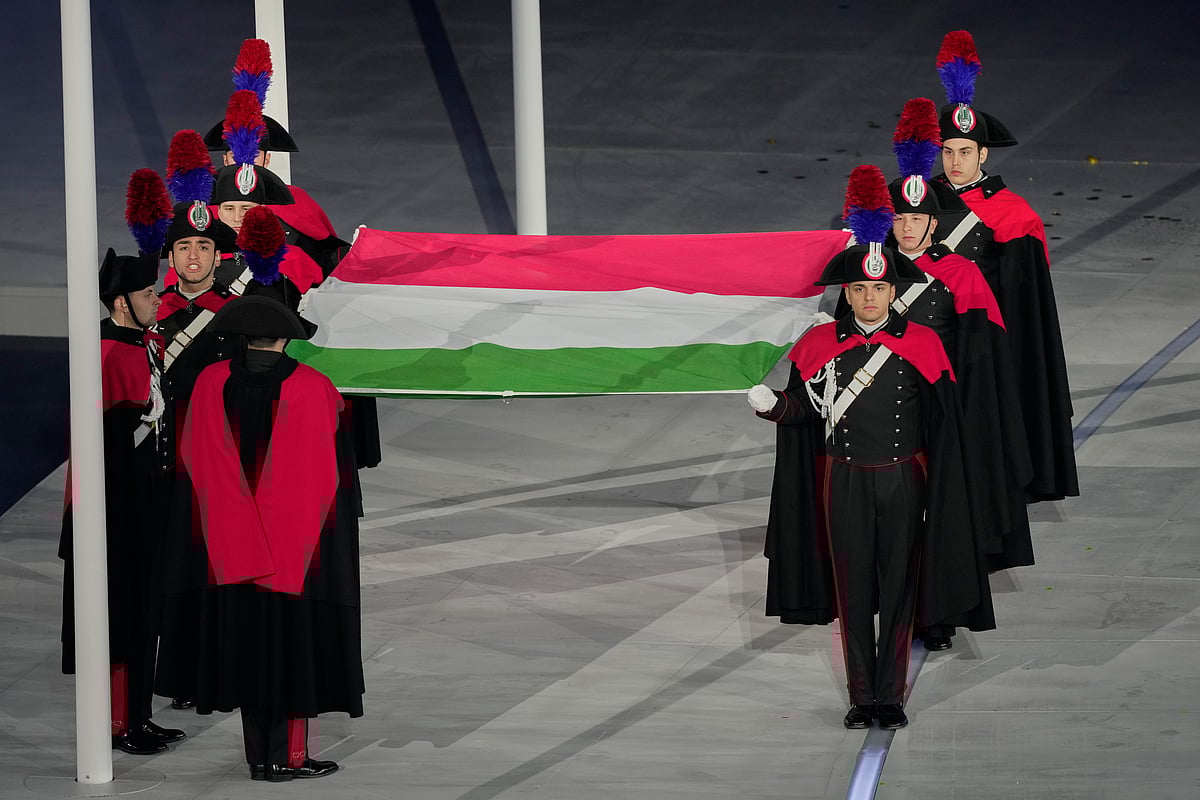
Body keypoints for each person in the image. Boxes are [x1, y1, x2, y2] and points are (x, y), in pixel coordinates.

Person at [749, 166, 994, 730]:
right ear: (849, 293)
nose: (868, 297)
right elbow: (807, 412)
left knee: (900, 585)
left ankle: (893, 695)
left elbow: (946, 428)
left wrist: (947, 490)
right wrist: (769, 405)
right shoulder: (820, 343)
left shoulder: (926, 344)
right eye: (858, 288)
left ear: (892, 290)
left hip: (905, 477)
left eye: (878, 288)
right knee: (853, 587)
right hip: (846, 477)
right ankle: (864, 698)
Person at [836, 99, 1036, 651]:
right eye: (899, 217)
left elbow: (983, 359)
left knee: (940, 518)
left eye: (918, 218)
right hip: (878, 417)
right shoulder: (868, 274)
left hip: (941, 417)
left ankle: (935, 614)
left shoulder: (960, 276)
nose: (907, 226)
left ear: (933, 220)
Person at [178, 295, 363, 781]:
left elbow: (192, 461)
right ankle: (289, 757)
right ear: (285, 338)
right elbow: (336, 477)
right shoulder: (314, 388)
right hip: (295, 552)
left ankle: (259, 756)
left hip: (226, 549)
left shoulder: (209, 382)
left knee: (247, 651)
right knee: (291, 653)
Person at [929, 30, 1078, 502]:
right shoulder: (919, 202)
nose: (955, 162)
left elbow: (1023, 306)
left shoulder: (1013, 215)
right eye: (948, 151)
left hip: (982, 342)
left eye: (965, 153)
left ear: (983, 155)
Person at [59, 248, 186, 754]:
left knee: (143, 609)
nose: (156, 298)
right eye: (146, 293)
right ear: (120, 303)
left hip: (146, 499)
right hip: (116, 507)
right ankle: (116, 722)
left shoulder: (144, 342)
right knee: (119, 611)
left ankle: (138, 714)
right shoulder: (108, 354)